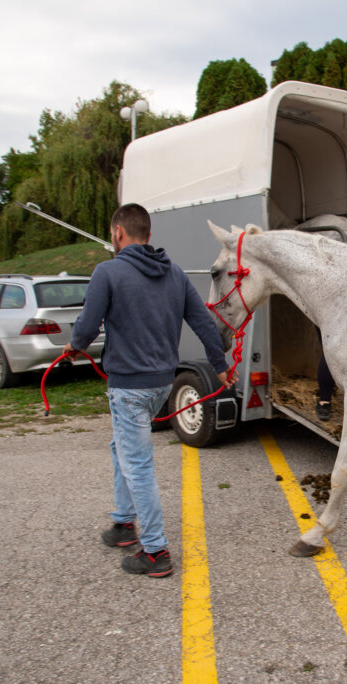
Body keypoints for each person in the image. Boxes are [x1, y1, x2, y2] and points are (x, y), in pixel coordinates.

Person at [64, 203, 230, 578]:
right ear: (148, 235)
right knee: (120, 446)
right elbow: (203, 321)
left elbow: (87, 327)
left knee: (137, 464)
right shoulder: (174, 274)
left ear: (118, 233)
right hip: (161, 384)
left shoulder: (107, 272)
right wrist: (219, 366)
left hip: (129, 387)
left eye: (112, 234)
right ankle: (124, 524)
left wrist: (74, 344)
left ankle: (155, 551)